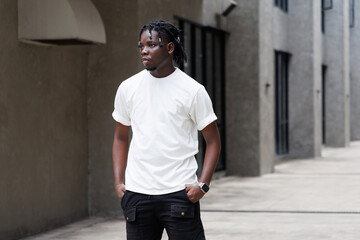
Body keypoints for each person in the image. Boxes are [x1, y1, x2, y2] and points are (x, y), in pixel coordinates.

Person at [112, 19, 221, 240]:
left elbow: (213, 141)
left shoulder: (192, 91)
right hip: (137, 195)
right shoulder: (128, 88)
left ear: (170, 48)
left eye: (151, 45)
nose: (144, 51)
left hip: (179, 194)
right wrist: (118, 182)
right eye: (141, 46)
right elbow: (120, 138)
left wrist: (203, 184)